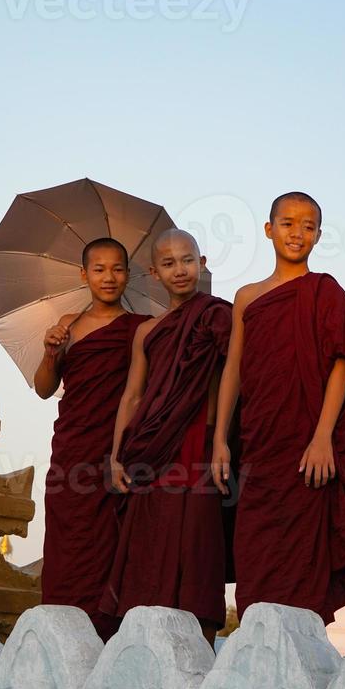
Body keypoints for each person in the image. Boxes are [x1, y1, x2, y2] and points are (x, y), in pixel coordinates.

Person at [212, 192, 345, 626]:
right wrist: (219, 441)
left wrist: (324, 437)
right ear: (269, 230)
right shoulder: (247, 297)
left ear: (319, 236)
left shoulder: (324, 291)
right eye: (288, 223)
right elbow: (233, 369)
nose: (297, 233)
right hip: (260, 446)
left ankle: (300, 656)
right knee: (255, 552)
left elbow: (343, 362)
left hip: (307, 449)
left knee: (302, 564)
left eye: (308, 226)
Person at [100, 229, 232, 645]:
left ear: (203, 262)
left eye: (188, 260)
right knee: (150, 548)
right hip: (150, 453)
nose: (181, 270)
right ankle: (143, 648)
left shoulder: (217, 316)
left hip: (198, 446)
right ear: (154, 273)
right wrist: (116, 456)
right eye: (170, 264)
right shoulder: (148, 331)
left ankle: (199, 653)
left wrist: (222, 441)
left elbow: (234, 377)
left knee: (196, 547)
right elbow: (133, 395)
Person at [34, 237, 148, 641]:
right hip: (71, 448)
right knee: (68, 542)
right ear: (84, 275)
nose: (109, 277)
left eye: (117, 269)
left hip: (117, 453)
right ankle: (61, 638)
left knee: (111, 547)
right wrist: (51, 352)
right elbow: (44, 389)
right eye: (99, 269)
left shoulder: (142, 327)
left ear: (128, 275)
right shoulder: (68, 324)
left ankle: (109, 637)